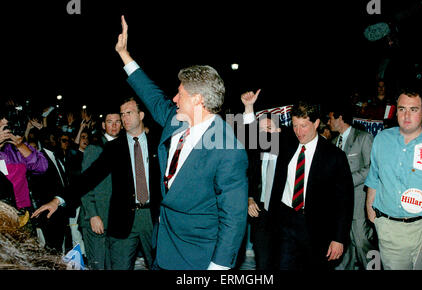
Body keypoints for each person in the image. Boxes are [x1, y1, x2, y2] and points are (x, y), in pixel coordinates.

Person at [115, 15, 248, 270]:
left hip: (197, 258)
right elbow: (152, 96)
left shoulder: (227, 148)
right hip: (163, 246)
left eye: (181, 94)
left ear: (198, 99)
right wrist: (125, 55)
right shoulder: (176, 121)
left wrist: (218, 268)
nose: (174, 98)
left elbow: (233, 217)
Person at [32, 97, 161, 270]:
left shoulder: (159, 145)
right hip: (123, 221)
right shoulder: (114, 148)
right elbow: (88, 178)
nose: (124, 118)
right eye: (122, 114)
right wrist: (58, 200)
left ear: (141, 115)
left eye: (129, 113)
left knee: (159, 265)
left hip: (152, 218)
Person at [365, 88, 422, 270]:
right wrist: (370, 208)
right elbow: (374, 177)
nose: (407, 115)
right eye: (402, 109)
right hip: (390, 230)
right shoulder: (381, 140)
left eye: (414, 109)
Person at [269, 99, 354, 270]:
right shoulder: (286, 144)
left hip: (317, 229)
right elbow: (250, 139)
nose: (298, 132)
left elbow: (344, 200)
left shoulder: (334, 156)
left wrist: (338, 238)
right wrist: (249, 109)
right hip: (286, 222)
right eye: (294, 126)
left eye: (303, 126)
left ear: (316, 123)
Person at [326, 103, 377, 270]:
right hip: (339, 207)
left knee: (363, 243)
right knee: (343, 247)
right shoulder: (333, 142)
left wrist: (345, 181)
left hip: (359, 204)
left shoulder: (363, 137)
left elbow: (371, 168)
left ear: (340, 118)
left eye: (330, 118)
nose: (328, 122)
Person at [240, 89, 281, 270]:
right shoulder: (256, 152)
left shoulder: (287, 149)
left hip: (283, 215)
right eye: (262, 127)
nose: (265, 131)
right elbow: (249, 133)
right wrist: (249, 107)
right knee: (263, 265)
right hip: (260, 213)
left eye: (269, 127)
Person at [78, 111, 122, 269]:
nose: (114, 125)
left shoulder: (124, 148)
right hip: (96, 219)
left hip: (114, 221)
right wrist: (93, 214)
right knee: (98, 266)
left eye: (117, 121)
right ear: (104, 125)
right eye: (110, 122)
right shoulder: (94, 149)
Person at [0, 109, 48, 212]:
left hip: (22, 209)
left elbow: (42, 167)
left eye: (6, 126)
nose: (4, 131)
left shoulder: (16, 147)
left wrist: (20, 145)